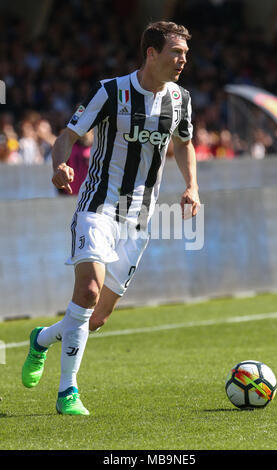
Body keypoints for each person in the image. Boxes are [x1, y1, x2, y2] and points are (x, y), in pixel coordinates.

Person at [21, 21, 201, 416]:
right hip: (98, 208)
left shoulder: (181, 100)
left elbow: (184, 143)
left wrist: (192, 187)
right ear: (151, 53)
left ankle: (42, 339)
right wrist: (59, 166)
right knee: (86, 292)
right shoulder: (109, 91)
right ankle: (68, 391)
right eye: (175, 51)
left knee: (97, 317)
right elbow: (67, 136)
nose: (183, 59)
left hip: (139, 220)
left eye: (185, 53)